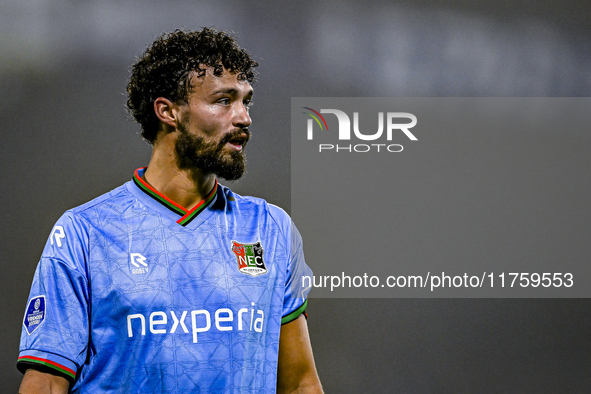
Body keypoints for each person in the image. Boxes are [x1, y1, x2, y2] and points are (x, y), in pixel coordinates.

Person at [17, 28, 323, 394]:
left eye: (246, 101)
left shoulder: (270, 229)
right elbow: (46, 384)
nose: (243, 118)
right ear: (168, 111)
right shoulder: (84, 232)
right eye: (224, 101)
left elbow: (301, 383)